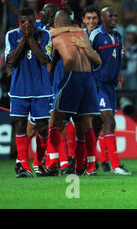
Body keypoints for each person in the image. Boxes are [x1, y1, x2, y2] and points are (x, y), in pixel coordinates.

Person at [44, 10, 102, 176]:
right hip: (89, 79)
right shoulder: (82, 33)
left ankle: (53, 162)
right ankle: (89, 166)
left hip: (72, 77)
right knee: (86, 124)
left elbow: (49, 67)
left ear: (56, 25)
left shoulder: (54, 37)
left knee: (55, 120)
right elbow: (98, 61)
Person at [5, 8, 52, 177]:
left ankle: (39, 162)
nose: (27, 25)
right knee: (19, 125)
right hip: (19, 89)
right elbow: (10, 60)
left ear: (35, 20)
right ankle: (24, 166)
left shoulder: (44, 34)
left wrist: (30, 39)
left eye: (30, 22)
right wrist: (23, 40)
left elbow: (44, 58)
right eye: (24, 22)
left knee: (43, 128)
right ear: (19, 23)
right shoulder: (11, 35)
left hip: (41, 90)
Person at [89, 7, 131, 175]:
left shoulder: (118, 36)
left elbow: (116, 58)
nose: (114, 18)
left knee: (101, 125)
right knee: (109, 121)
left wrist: (118, 74)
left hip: (110, 86)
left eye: (115, 15)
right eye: (110, 15)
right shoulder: (95, 36)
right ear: (102, 18)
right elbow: (86, 57)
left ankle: (100, 161)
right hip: (97, 84)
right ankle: (115, 165)